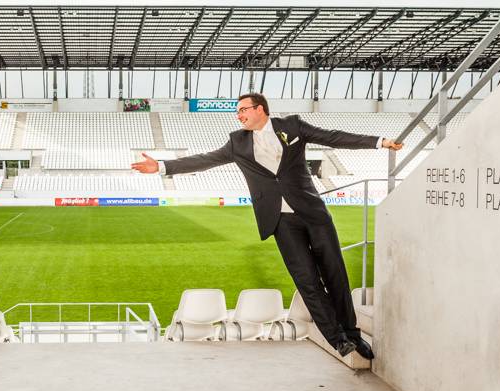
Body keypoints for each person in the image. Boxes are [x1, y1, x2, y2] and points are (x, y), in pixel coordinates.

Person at [132, 93, 402, 358]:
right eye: (238, 112)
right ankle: (337, 339)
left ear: (260, 109)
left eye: (243, 110)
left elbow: (333, 137)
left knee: (336, 275)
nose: (239, 115)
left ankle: (353, 334)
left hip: (313, 214)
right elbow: (205, 160)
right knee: (307, 281)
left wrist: (379, 142)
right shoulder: (237, 142)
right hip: (280, 221)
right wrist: (162, 167)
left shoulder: (292, 126)